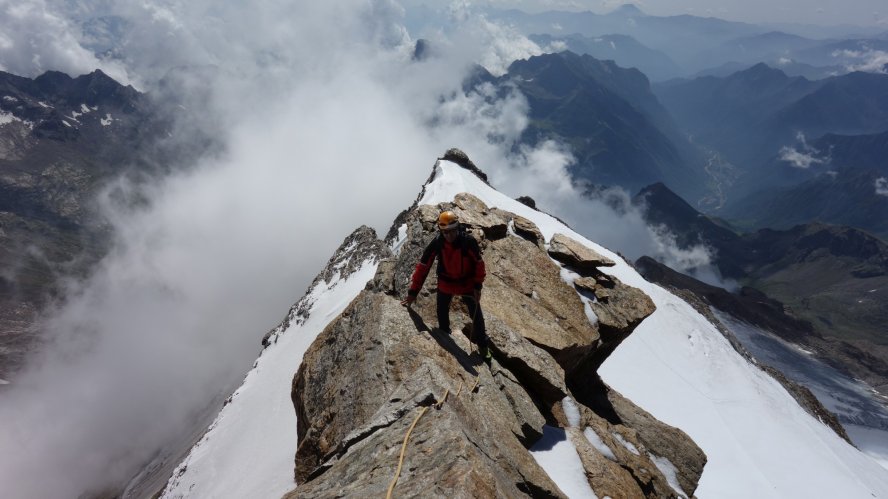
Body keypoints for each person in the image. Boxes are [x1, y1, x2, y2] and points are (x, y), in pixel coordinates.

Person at [401, 211, 490, 360]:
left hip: (465, 284)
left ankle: (483, 347)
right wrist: (412, 294)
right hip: (447, 284)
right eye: (445, 232)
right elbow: (422, 268)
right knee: (442, 313)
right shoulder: (437, 242)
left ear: (457, 227)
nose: (448, 235)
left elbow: (479, 266)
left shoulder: (468, 242)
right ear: (441, 231)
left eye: (451, 231)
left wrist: (477, 287)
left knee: (477, 318)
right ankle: (445, 337)